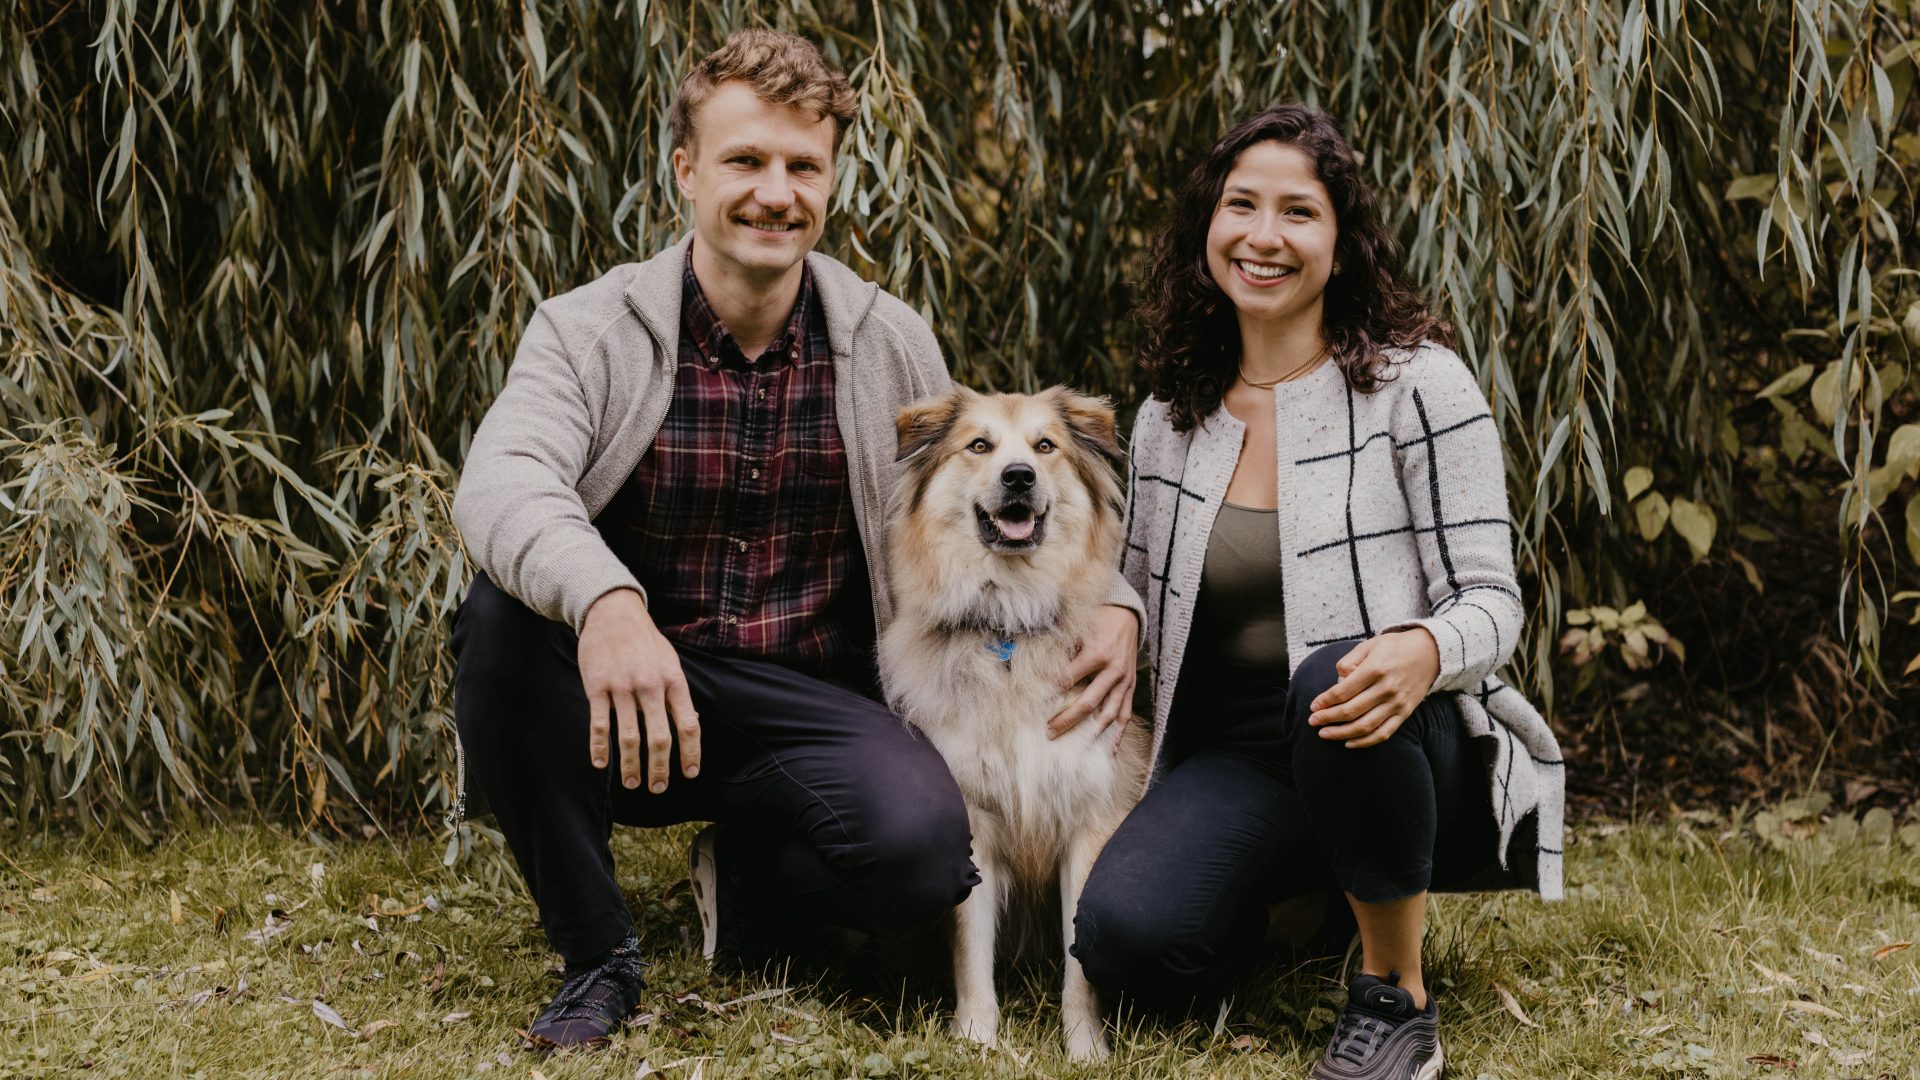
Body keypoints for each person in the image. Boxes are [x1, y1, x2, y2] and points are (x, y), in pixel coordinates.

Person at [448, 28, 1145, 1051]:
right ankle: (597, 956)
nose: (775, 191)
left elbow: (991, 509)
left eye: (801, 167)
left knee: (926, 852)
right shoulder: (588, 329)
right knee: (502, 623)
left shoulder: (892, 344)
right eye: (745, 161)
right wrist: (606, 601)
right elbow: (499, 483)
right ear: (686, 170)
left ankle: (756, 873)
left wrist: (1117, 605)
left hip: (811, 699)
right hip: (639, 686)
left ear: (829, 181)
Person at [1064, 104, 1566, 1080]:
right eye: (1240, 205)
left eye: (1297, 212)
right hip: (1243, 759)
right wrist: (1119, 615)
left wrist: (1422, 649)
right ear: (1207, 226)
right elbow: (1129, 583)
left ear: (1342, 243)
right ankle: (1319, 902)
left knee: (1335, 673)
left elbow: (1493, 602)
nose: (1263, 236)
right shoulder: (1175, 416)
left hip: (1401, 738)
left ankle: (1397, 1001)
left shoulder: (1422, 388)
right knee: (1129, 947)